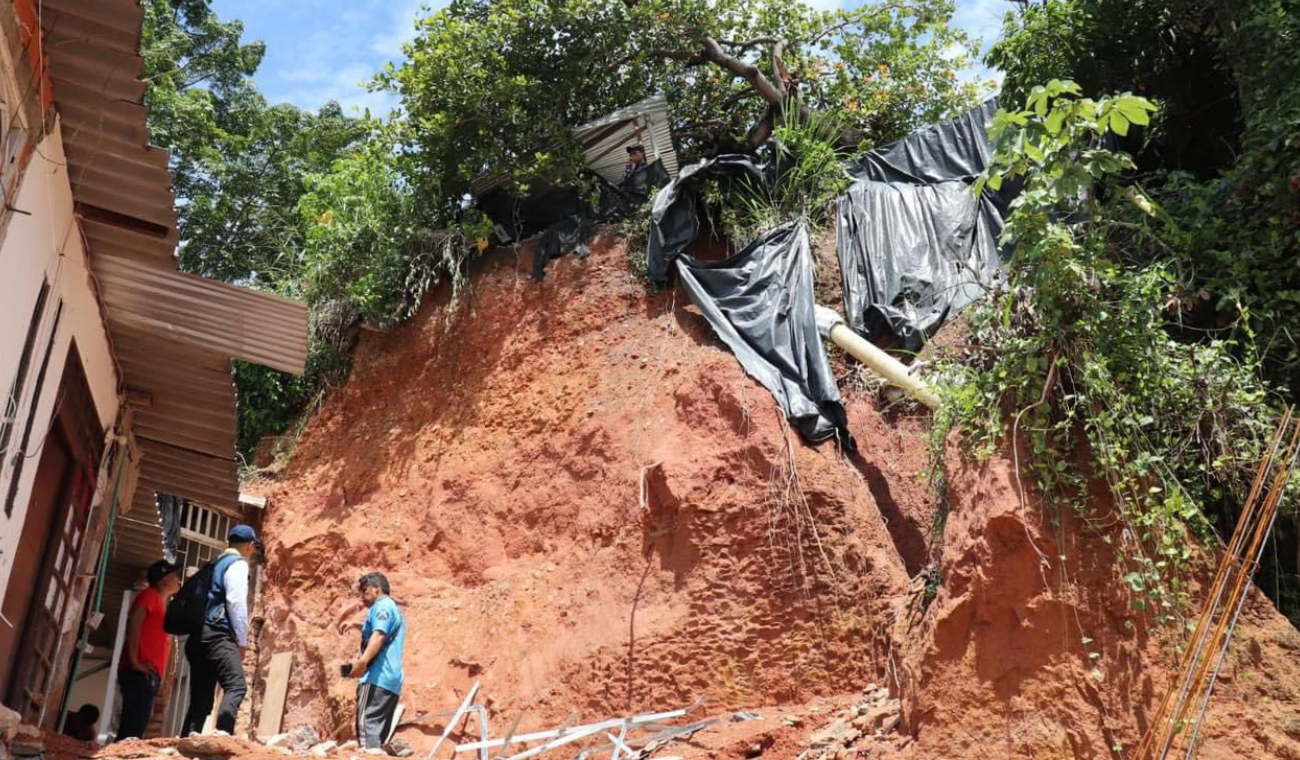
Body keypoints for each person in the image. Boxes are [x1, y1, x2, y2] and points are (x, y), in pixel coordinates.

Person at [181, 525, 258, 736]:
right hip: (217, 635)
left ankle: (187, 743)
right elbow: (236, 603)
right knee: (236, 685)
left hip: (198, 638)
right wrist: (242, 641)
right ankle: (223, 737)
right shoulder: (238, 564)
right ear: (250, 545)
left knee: (201, 700)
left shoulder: (214, 563)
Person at [117, 560, 181, 740]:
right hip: (139, 672)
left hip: (147, 674)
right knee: (132, 728)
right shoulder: (150, 595)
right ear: (163, 579)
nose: (178, 578)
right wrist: (134, 661)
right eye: (174, 574)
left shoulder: (160, 603)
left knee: (136, 726)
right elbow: (134, 621)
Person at [345, 572, 406, 750]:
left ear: (376, 589)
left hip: (376, 678)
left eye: (364, 592)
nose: (362, 597)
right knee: (377, 738)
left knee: (367, 733)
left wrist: (362, 662)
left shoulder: (382, 606)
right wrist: (358, 626)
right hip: (391, 682)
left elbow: (379, 635)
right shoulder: (394, 609)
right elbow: (382, 630)